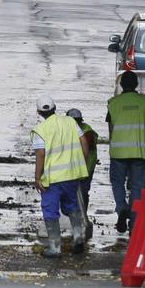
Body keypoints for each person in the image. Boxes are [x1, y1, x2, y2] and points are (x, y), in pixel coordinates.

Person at [32, 96, 91, 258]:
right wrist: (82, 163)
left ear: (39, 112)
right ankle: (78, 237)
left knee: (50, 211)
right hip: (71, 175)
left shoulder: (40, 130)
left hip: (52, 179)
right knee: (72, 206)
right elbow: (84, 142)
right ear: (55, 107)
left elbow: (41, 154)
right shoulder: (70, 122)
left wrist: (37, 178)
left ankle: (54, 247)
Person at [106, 70, 145, 233]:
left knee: (117, 182)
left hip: (119, 152)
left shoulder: (113, 103)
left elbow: (111, 129)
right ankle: (134, 223)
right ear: (136, 84)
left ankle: (121, 208)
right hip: (139, 151)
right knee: (137, 186)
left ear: (121, 85)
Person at [67, 107, 99, 239]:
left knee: (81, 192)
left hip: (84, 167)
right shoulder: (85, 129)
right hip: (83, 167)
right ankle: (80, 217)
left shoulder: (85, 131)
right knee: (81, 193)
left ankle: (81, 217)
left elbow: (86, 147)